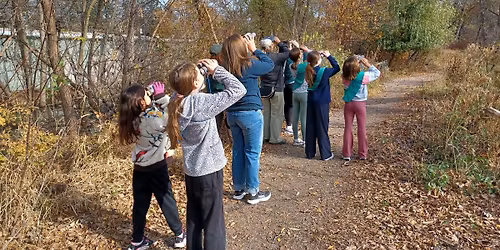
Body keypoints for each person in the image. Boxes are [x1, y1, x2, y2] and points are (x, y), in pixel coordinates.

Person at [166, 58, 246, 250]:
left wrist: (197, 75)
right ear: (194, 83)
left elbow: (180, 90)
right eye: (198, 74)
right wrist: (217, 70)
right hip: (209, 171)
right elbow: (238, 90)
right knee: (213, 222)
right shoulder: (201, 103)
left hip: (192, 172)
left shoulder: (176, 102)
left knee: (194, 218)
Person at [118, 83, 186, 250]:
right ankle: (179, 235)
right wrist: (161, 96)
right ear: (141, 102)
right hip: (157, 168)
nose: (149, 96)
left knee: (140, 205)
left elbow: (154, 114)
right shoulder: (153, 119)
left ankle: (137, 240)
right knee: (166, 201)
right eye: (146, 95)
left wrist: (150, 98)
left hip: (140, 169)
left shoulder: (133, 120)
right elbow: (169, 117)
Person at [220, 34, 274, 204]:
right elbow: (269, 64)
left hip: (232, 114)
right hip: (250, 113)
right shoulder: (249, 64)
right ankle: (253, 192)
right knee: (252, 153)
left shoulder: (225, 68)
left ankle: (239, 189)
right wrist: (254, 49)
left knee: (238, 150)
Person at [341, 56, 380, 161]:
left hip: (348, 103)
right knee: (361, 129)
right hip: (360, 104)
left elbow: (350, 72)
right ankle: (362, 154)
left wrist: (353, 64)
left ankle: (346, 154)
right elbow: (377, 73)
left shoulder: (344, 76)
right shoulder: (363, 76)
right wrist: (367, 64)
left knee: (348, 128)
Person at [304, 50, 340, 160]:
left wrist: (313, 55)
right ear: (319, 60)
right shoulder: (324, 71)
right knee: (322, 127)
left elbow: (311, 60)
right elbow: (337, 68)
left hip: (310, 101)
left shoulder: (307, 70)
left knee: (310, 126)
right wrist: (329, 56)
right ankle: (325, 153)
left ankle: (310, 153)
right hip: (322, 102)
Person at [260, 36, 290, 144]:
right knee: (276, 114)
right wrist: (280, 43)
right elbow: (288, 53)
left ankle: (265, 136)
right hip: (276, 88)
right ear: (271, 46)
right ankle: (275, 138)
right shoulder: (275, 57)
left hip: (264, 89)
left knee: (267, 113)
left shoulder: (259, 57)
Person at [289, 45, 310, 146]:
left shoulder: (291, 66)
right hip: (304, 93)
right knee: (304, 117)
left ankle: (296, 138)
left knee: (295, 116)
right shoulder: (304, 66)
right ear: (299, 57)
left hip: (295, 91)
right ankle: (305, 140)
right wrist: (306, 51)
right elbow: (310, 60)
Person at [205, 44, 227, 135]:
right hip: (219, 95)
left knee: (217, 120)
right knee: (219, 119)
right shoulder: (221, 66)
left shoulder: (207, 65)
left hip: (212, 96)